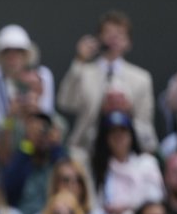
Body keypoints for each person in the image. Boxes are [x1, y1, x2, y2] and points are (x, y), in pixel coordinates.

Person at [60, 11, 157, 157]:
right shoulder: (84, 72)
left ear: (128, 42)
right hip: (85, 149)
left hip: (128, 152)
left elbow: (145, 122)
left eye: (120, 34)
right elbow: (65, 102)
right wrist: (79, 61)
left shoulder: (141, 78)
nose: (114, 38)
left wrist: (126, 111)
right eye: (108, 33)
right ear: (99, 38)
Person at [0, 24, 56, 165]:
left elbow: (51, 133)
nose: (13, 57)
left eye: (18, 51)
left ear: (27, 55)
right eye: (7, 51)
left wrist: (36, 110)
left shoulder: (43, 77)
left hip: (37, 155)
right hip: (7, 155)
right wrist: (11, 117)